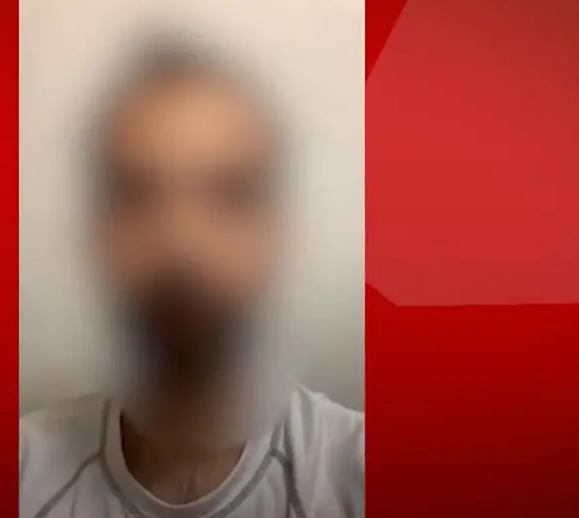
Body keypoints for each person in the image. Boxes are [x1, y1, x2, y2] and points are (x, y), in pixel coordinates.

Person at [20, 40, 363, 518]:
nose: (182, 243)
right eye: (137, 194)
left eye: (230, 193)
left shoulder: (352, 472)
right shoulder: (24, 472)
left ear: (280, 234)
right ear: (96, 237)